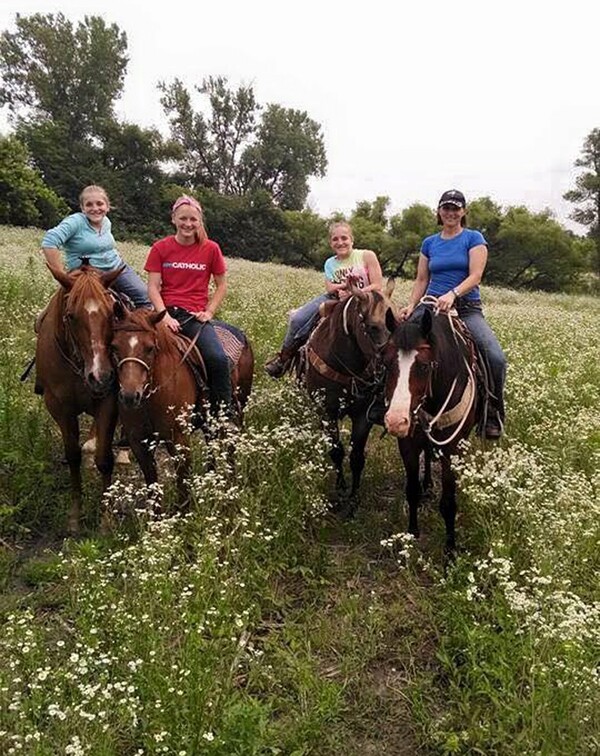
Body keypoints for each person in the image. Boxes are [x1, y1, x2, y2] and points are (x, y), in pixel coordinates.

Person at [400, 189, 507, 439]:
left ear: (463, 212)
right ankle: (384, 403)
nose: (451, 212)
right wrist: (411, 305)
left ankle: (492, 413)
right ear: (439, 211)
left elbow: (475, 276)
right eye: (446, 208)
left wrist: (453, 294)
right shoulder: (430, 243)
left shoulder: (473, 238)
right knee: (395, 344)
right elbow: (422, 279)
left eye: (456, 208)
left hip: (466, 308)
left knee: (495, 357)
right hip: (429, 307)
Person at [144, 195, 235, 424]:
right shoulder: (160, 248)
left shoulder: (211, 249)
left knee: (217, 359)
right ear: (174, 219)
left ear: (199, 221)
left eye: (193, 219)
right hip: (164, 312)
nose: (188, 224)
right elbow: (153, 288)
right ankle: (127, 417)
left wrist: (209, 312)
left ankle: (221, 414)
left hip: (193, 317)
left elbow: (221, 285)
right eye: (183, 218)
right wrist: (163, 317)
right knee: (131, 351)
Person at [265, 221, 384, 377]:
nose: (340, 242)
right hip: (336, 298)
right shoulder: (330, 263)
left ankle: (389, 365)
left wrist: (356, 293)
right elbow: (330, 287)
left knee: (390, 323)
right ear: (330, 243)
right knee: (297, 319)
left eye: (344, 238)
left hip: (367, 300)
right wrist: (343, 289)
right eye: (335, 239)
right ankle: (284, 358)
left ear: (352, 240)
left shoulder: (367, 256)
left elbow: (377, 284)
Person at [41, 185, 150, 308]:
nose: (95, 208)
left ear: (107, 207)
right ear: (82, 208)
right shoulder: (75, 222)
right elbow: (49, 241)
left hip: (116, 268)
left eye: (100, 204)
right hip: (89, 275)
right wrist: (62, 277)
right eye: (89, 205)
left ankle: (136, 326)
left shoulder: (106, 222)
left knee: (144, 296)